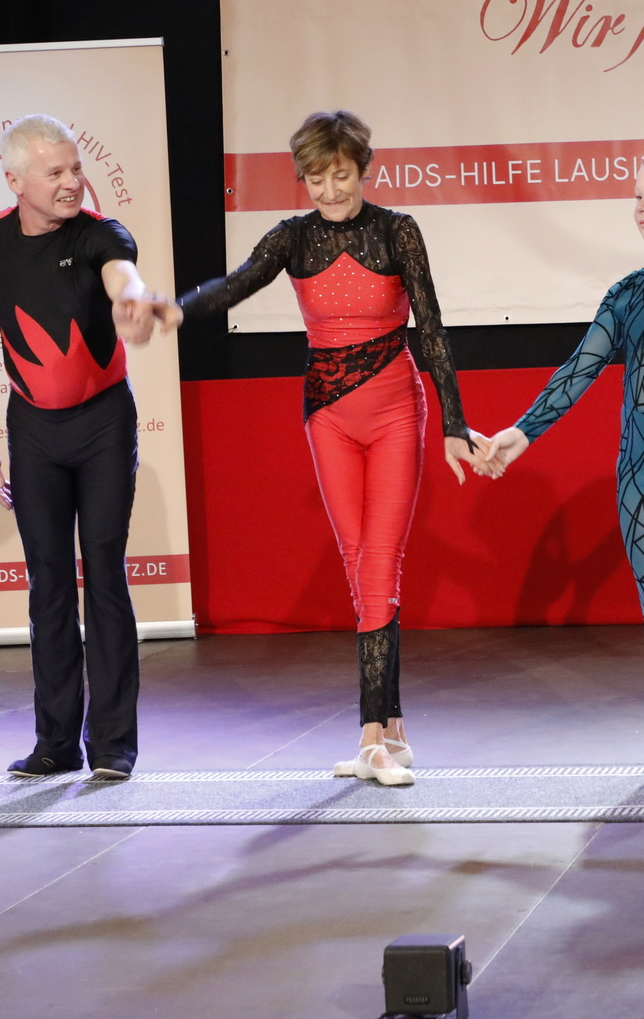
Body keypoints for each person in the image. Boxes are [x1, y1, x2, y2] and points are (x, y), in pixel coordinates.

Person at [168, 111, 483, 787]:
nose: (330, 190)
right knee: (358, 563)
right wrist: (177, 308)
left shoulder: (397, 231)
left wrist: (453, 425)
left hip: (396, 411)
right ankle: (392, 726)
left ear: (362, 169)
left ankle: (369, 739)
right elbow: (236, 283)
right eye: (316, 178)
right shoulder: (293, 238)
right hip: (327, 417)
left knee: (380, 565)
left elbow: (431, 329)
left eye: (340, 175)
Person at [478, 152, 644, 795]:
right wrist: (521, 432)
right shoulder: (625, 293)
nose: (642, 206)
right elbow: (579, 369)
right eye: (638, 195)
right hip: (638, 463)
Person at [0, 113, 169, 782]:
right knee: (47, 581)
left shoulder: (101, 234)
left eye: (76, 168)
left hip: (104, 424)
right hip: (33, 431)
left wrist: (135, 302)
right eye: (56, 173)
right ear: (16, 181)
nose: (73, 182)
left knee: (103, 573)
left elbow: (122, 277)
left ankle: (113, 744)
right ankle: (55, 744)